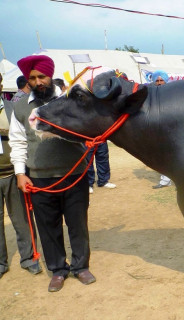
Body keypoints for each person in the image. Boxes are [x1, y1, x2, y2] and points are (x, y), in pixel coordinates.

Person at [9, 55, 95, 291]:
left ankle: (81, 267)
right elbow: (18, 143)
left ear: (50, 75)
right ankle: (58, 270)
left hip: (73, 174)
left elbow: (88, 128)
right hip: (39, 178)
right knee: (48, 227)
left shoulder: (70, 99)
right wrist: (20, 174)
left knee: (78, 224)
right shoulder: (20, 107)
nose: (38, 82)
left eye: (42, 76)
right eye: (33, 78)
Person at [0, 73, 41, 279]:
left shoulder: (13, 108)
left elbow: (24, 136)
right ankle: (0, 262)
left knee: (23, 219)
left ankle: (29, 258)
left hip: (12, 172)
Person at [150, 70, 173, 189]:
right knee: (162, 155)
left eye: (161, 80)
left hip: (172, 128)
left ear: (166, 81)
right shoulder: (152, 95)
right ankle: (165, 180)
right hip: (158, 129)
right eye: (157, 81)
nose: (159, 83)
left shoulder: (173, 94)